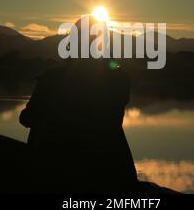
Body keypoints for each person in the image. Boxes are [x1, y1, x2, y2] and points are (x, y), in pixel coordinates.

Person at [19, 15, 137, 192]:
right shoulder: (119, 79)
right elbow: (112, 120)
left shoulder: (52, 78)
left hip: (57, 171)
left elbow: (27, 119)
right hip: (111, 170)